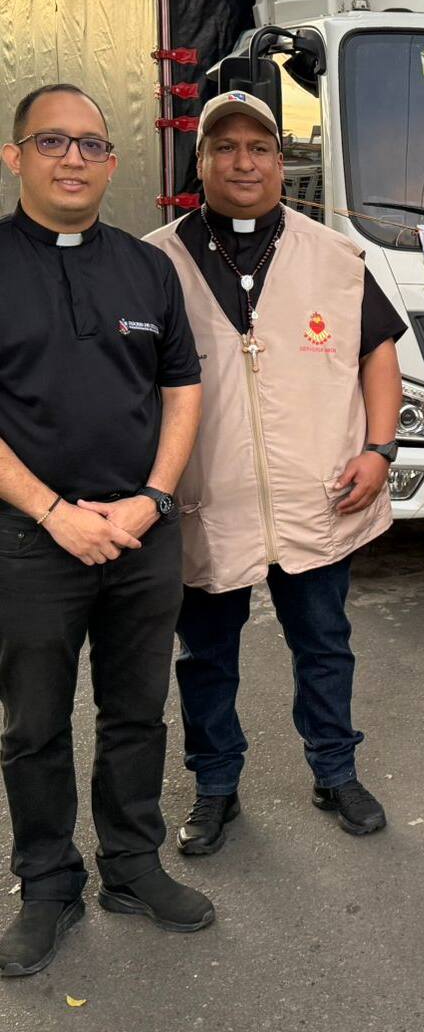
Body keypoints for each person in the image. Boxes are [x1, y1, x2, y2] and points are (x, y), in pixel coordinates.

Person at [145, 91, 406, 853]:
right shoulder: (154, 261)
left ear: (280, 160)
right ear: (200, 164)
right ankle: (215, 787)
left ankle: (334, 770)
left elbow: (377, 353)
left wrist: (379, 450)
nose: (244, 161)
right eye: (224, 147)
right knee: (205, 657)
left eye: (258, 147)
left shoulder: (333, 255)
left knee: (324, 644)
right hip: (204, 501)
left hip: (317, 494)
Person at [0, 84, 212, 978]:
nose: (74, 159)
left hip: (138, 535)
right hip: (28, 539)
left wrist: (153, 501)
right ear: (15, 157)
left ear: (112, 162)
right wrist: (52, 511)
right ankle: (47, 884)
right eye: (53, 141)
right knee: (35, 725)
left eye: (91, 144)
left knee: (137, 712)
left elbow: (182, 388)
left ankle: (131, 864)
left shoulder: (146, 267)